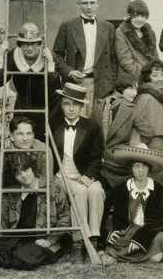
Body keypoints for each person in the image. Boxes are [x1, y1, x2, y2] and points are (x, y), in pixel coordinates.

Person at [0, 152, 70, 270]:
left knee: (21, 260)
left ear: (32, 167)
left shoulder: (53, 187)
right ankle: (10, 255)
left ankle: (14, 257)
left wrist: (50, 241)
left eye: (25, 169)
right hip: (16, 239)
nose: (23, 175)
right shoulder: (13, 193)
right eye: (18, 173)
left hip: (40, 240)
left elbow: (65, 219)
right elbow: (2, 224)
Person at [52, 83, 105, 262]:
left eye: (76, 104)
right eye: (67, 104)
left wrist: (89, 176)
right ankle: (77, 243)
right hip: (61, 177)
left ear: (82, 106)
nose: (71, 108)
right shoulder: (54, 125)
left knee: (96, 190)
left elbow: (96, 156)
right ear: (61, 105)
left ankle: (94, 240)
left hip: (83, 175)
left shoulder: (91, 127)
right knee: (80, 192)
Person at [98, 144, 163, 265]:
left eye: (144, 166)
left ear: (149, 168)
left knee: (157, 252)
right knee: (153, 256)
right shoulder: (120, 189)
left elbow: (158, 218)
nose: (141, 170)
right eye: (137, 166)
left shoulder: (157, 188)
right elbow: (102, 212)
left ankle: (119, 257)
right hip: (125, 233)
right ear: (131, 168)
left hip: (148, 232)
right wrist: (106, 234)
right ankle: (124, 255)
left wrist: (140, 239)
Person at [53, 0, 117, 117]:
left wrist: (111, 82)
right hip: (76, 83)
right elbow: (56, 56)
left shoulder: (108, 27)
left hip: (101, 84)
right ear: (78, 4)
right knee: (77, 122)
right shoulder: (67, 26)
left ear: (98, 4)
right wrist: (69, 72)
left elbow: (113, 58)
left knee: (99, 122)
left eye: (92, 3)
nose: (89, 7)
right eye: (85, 3)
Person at [0, 22, 62, 139]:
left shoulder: (49, 56)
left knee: (49, 142)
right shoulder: (12, 56)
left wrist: (50, 65)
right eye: (25, 44)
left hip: (50, 107)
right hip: (23, 106)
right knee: (22, 140)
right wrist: (0, 55)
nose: (30, 48)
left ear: (39, 43)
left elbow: (53, 86)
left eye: (34, 44)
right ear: (20, 44)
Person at [0, 116, 53, 222]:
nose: (25, 138)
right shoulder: (3, 156)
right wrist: (10, 209)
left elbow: (48, 181)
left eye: (29, 133)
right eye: (20, 134)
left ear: (34, 135)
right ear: (12, 137)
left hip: (37, 199)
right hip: (11, 202)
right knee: (10, 235)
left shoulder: (43, 151)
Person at [92, 76, 154, 188]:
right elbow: (148, 132)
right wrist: (133, 144)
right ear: (119, 89)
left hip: (101, 163)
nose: (135, 93)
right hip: (122, 164)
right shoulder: (130, 108)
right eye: (130, 89)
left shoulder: (98, 106)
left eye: (136, 89)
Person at [132, 60, 163, 185]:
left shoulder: (159, 96)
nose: (160, 79)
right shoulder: (145, 98)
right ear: (148, 78)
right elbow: (136, 122)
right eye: (155, 75)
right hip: (153, 146)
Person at [115, 0, 159, 82]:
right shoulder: (121, 32)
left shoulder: (149, 31)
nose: (139, 19)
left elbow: (155, 56)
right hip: (130, 79)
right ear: (129, 16)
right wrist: (147, 76)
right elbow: (126, 61)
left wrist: (156, 73)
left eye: (143, 16)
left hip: (151, 77)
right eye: (136, 16)